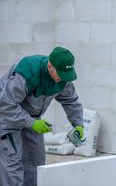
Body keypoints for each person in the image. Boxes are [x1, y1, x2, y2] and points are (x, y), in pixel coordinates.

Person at [0, 46, 84, 186]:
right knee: (12, 167)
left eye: (66, 74)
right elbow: (5, 104)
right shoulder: (27, 71)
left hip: (31, 119)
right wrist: (32, 123)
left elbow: (70, 100)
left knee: (35, 163)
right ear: (50, 65)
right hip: (7, 118)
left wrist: (78, 125)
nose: (63, 78)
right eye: (61, 74)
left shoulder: (63, 77)